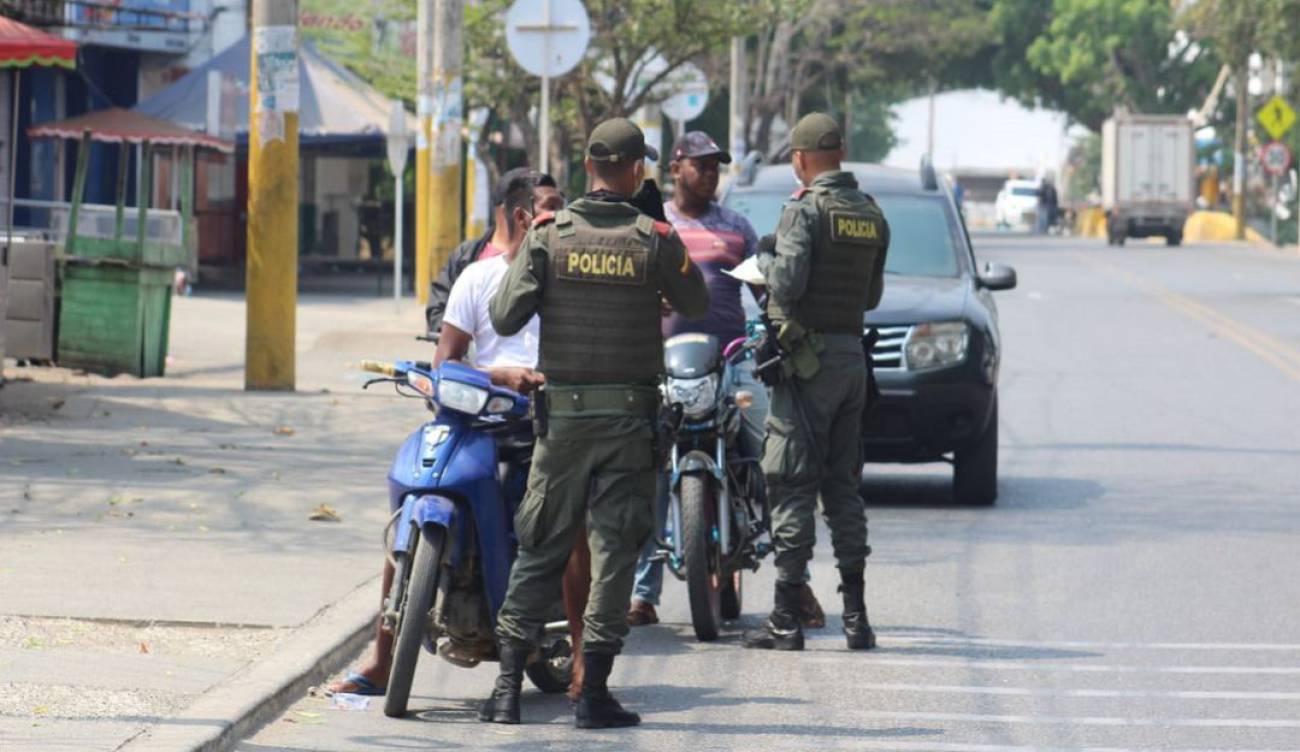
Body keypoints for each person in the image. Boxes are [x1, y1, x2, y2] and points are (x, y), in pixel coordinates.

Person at [479, 117, 709, 728]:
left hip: (565, 423)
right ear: (638, 172)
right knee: (613, 553)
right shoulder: (653, 236)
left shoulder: (550, 233)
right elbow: (697, 302)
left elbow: (503, 318)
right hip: (629, 425)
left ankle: (505, 692)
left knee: (540, 546)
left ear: (588, 169)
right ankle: (594, 693)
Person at [327, 169, 565, 697]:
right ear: (522, 217)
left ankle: (583, 666)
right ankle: (384, 657)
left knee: (551, 521)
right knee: (406, 515)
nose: (555, 223)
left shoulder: (570, 282)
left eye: (560, 213)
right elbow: (447, 359)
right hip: (476, 418)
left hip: (546, 428)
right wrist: (499, 377)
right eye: (546, 212)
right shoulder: (477, 278)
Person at [626, 131, 825, 630]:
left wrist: (781, 335)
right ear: (675, 169)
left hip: (733, 363)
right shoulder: (651, 226)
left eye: (715, 166)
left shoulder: (736, 227)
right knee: (644, 468)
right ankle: (642, 594)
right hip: (663, 367)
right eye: (701, 165)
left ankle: (793, 582)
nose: (711, 173)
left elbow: (765, 294)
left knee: (772, 459)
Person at [743, 112, 889, 652]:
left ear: (801, 159)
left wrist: (765, 255)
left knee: (791, 482)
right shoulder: (870, 213)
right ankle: (857, 618)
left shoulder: (804, 210)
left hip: (807, 364)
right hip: (853, 362)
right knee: (843, 487)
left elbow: (787, 280)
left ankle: (785, 617)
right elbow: (870, 298)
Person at [425, 168, 562, 335]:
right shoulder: (468, 260)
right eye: (550, 207)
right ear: (509, 209)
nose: (557, 215)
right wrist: (461, 335)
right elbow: (439, 308)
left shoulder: (557, 256)